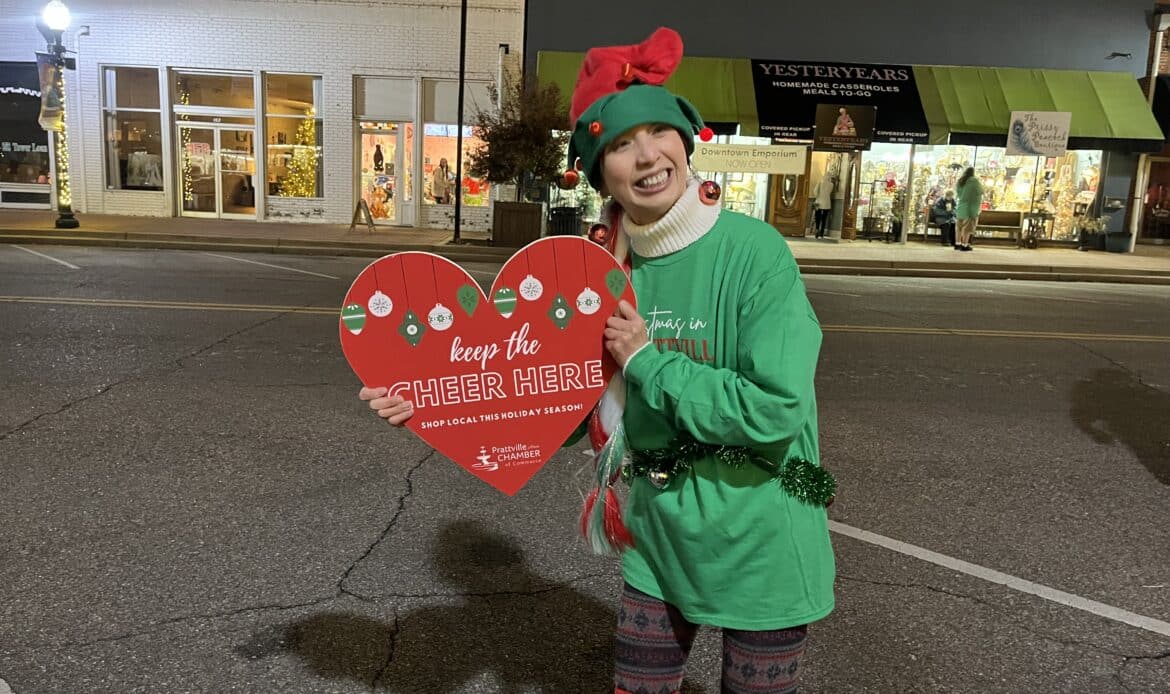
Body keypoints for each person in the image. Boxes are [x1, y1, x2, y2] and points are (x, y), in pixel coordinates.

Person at [359, 27, 835, 694]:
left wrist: (648, 363)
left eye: (657, 132)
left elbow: (775, 411)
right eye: (619, 144)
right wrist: (436, 398)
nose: (646, 156)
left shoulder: (754, 253)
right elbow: (552, 403)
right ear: (598, 170)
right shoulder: (594, 274)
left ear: (685, 139)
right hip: (658, 545)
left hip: (764, 547)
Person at [955, 167, 983, 251]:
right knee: (967, 228)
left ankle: (957, 244)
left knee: (959, 227)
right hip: (970, 207)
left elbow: (958, 193)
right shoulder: (974, 181)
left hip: (961, 206)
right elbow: (980, 191)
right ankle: (965, 245)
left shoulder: (960, 181)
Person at [813, 173, 835, 238]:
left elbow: (815, 192)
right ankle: (822, 232)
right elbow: (830, 192)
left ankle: (817, 229)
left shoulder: (819, 183)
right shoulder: (831, 184)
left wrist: (817, 196)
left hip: (818, 202)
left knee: (817, 217)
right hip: (827, 203)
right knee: (824, 218)